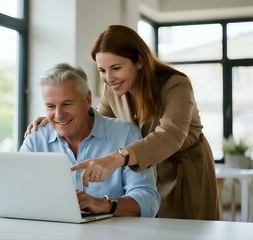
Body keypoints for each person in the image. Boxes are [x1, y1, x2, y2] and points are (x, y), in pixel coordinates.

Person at [26, 25, 220, 220]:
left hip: (183, 168)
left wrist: (116, 158)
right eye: (102, 70)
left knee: (185, 230)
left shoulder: (176, 86)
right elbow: (97, 122)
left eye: (116, 68)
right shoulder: (113, 89)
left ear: (139, 62)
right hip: (143, 165)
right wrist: (59, 117)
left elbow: (170, 135)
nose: (108, 78)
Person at [20, 63, 160, 217]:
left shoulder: (125, 134)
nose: (59, 115)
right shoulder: (35, 139)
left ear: (87, 100)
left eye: (67, 104)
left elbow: (149, 202)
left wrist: (103, 204)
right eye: (51, 106)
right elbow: (17, 192)